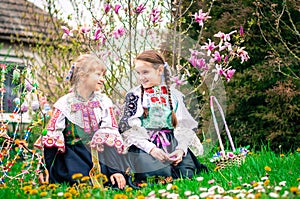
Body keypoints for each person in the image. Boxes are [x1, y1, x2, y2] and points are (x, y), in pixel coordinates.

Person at [36, 53, 126, 189]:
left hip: (99, 156)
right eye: (98, 75)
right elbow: (51, 141)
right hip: (73, 157)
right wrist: (46, 169)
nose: (102, 80)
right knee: (78, 179)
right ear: (83, 76)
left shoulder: (104, 102)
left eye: (103, 76)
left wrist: (116, 171)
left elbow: (110, 138)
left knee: (110, 181)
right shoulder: (64, 103)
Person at [119, 50, 208, 183]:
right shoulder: (135, 95)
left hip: (171, 142)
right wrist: (152, 149)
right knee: (156, 174)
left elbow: (184, 125)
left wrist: (181, 149)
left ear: (160, 70)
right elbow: (129, 129)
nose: (141, 77)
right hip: (145, 144)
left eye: (145, 72)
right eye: (138, 73)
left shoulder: (175, 95)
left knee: (186, 173)